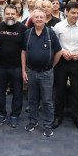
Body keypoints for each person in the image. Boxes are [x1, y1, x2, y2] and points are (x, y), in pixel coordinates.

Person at [22, 9, 62, 138]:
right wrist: (23, 70)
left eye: (41, 17)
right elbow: (23, 52)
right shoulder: (28, 33)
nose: (39, 19)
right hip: (31, 72)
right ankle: (33, 122)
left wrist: (51, 66)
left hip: (46, 73)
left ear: (45, 19)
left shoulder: (51, 33)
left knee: (47, 101)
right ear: (32, 19)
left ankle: (47, 125)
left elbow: (59, 52)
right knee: (32, 99)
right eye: (36, 17)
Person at [53, 2, 78, 130]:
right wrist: (63, 50)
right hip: (62, 61)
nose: (76, 15)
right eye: (73, 12)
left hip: (77, 61)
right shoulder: (58, 26)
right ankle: (58, 116)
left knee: (76, 91)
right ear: (66, 12)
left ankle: (77, 117)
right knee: (60, 90)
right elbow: (54, 42)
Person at [0, 4, 26, 128]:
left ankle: (14, 115)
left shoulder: (23, 28)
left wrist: (24, 68)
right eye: (8, 14)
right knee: (0, 92)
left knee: (17, 93)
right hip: (0, 66)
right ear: (4, 14)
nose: (10, 16)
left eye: (13, 14)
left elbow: (25, 49)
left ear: (17, 14)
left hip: (17, 67)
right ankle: (1, 113)